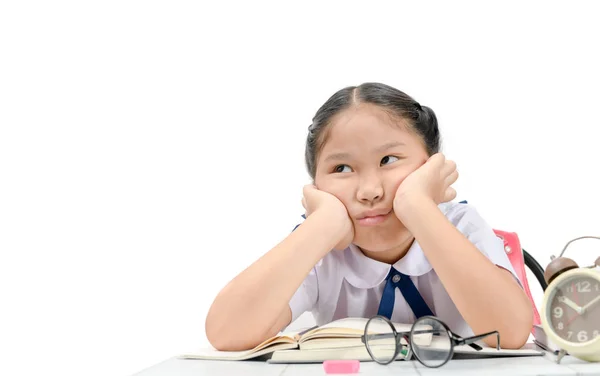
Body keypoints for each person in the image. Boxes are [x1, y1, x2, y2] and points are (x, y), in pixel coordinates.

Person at [205, 82, 533, 352]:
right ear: (316, 184)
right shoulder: (319, 249)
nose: (369, 190)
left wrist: (417, 206)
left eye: (389, 159)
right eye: (341, 168)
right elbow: (226, 333)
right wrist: (322, 224)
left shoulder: (459, 224)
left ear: (431, 166)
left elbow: (510, 333)